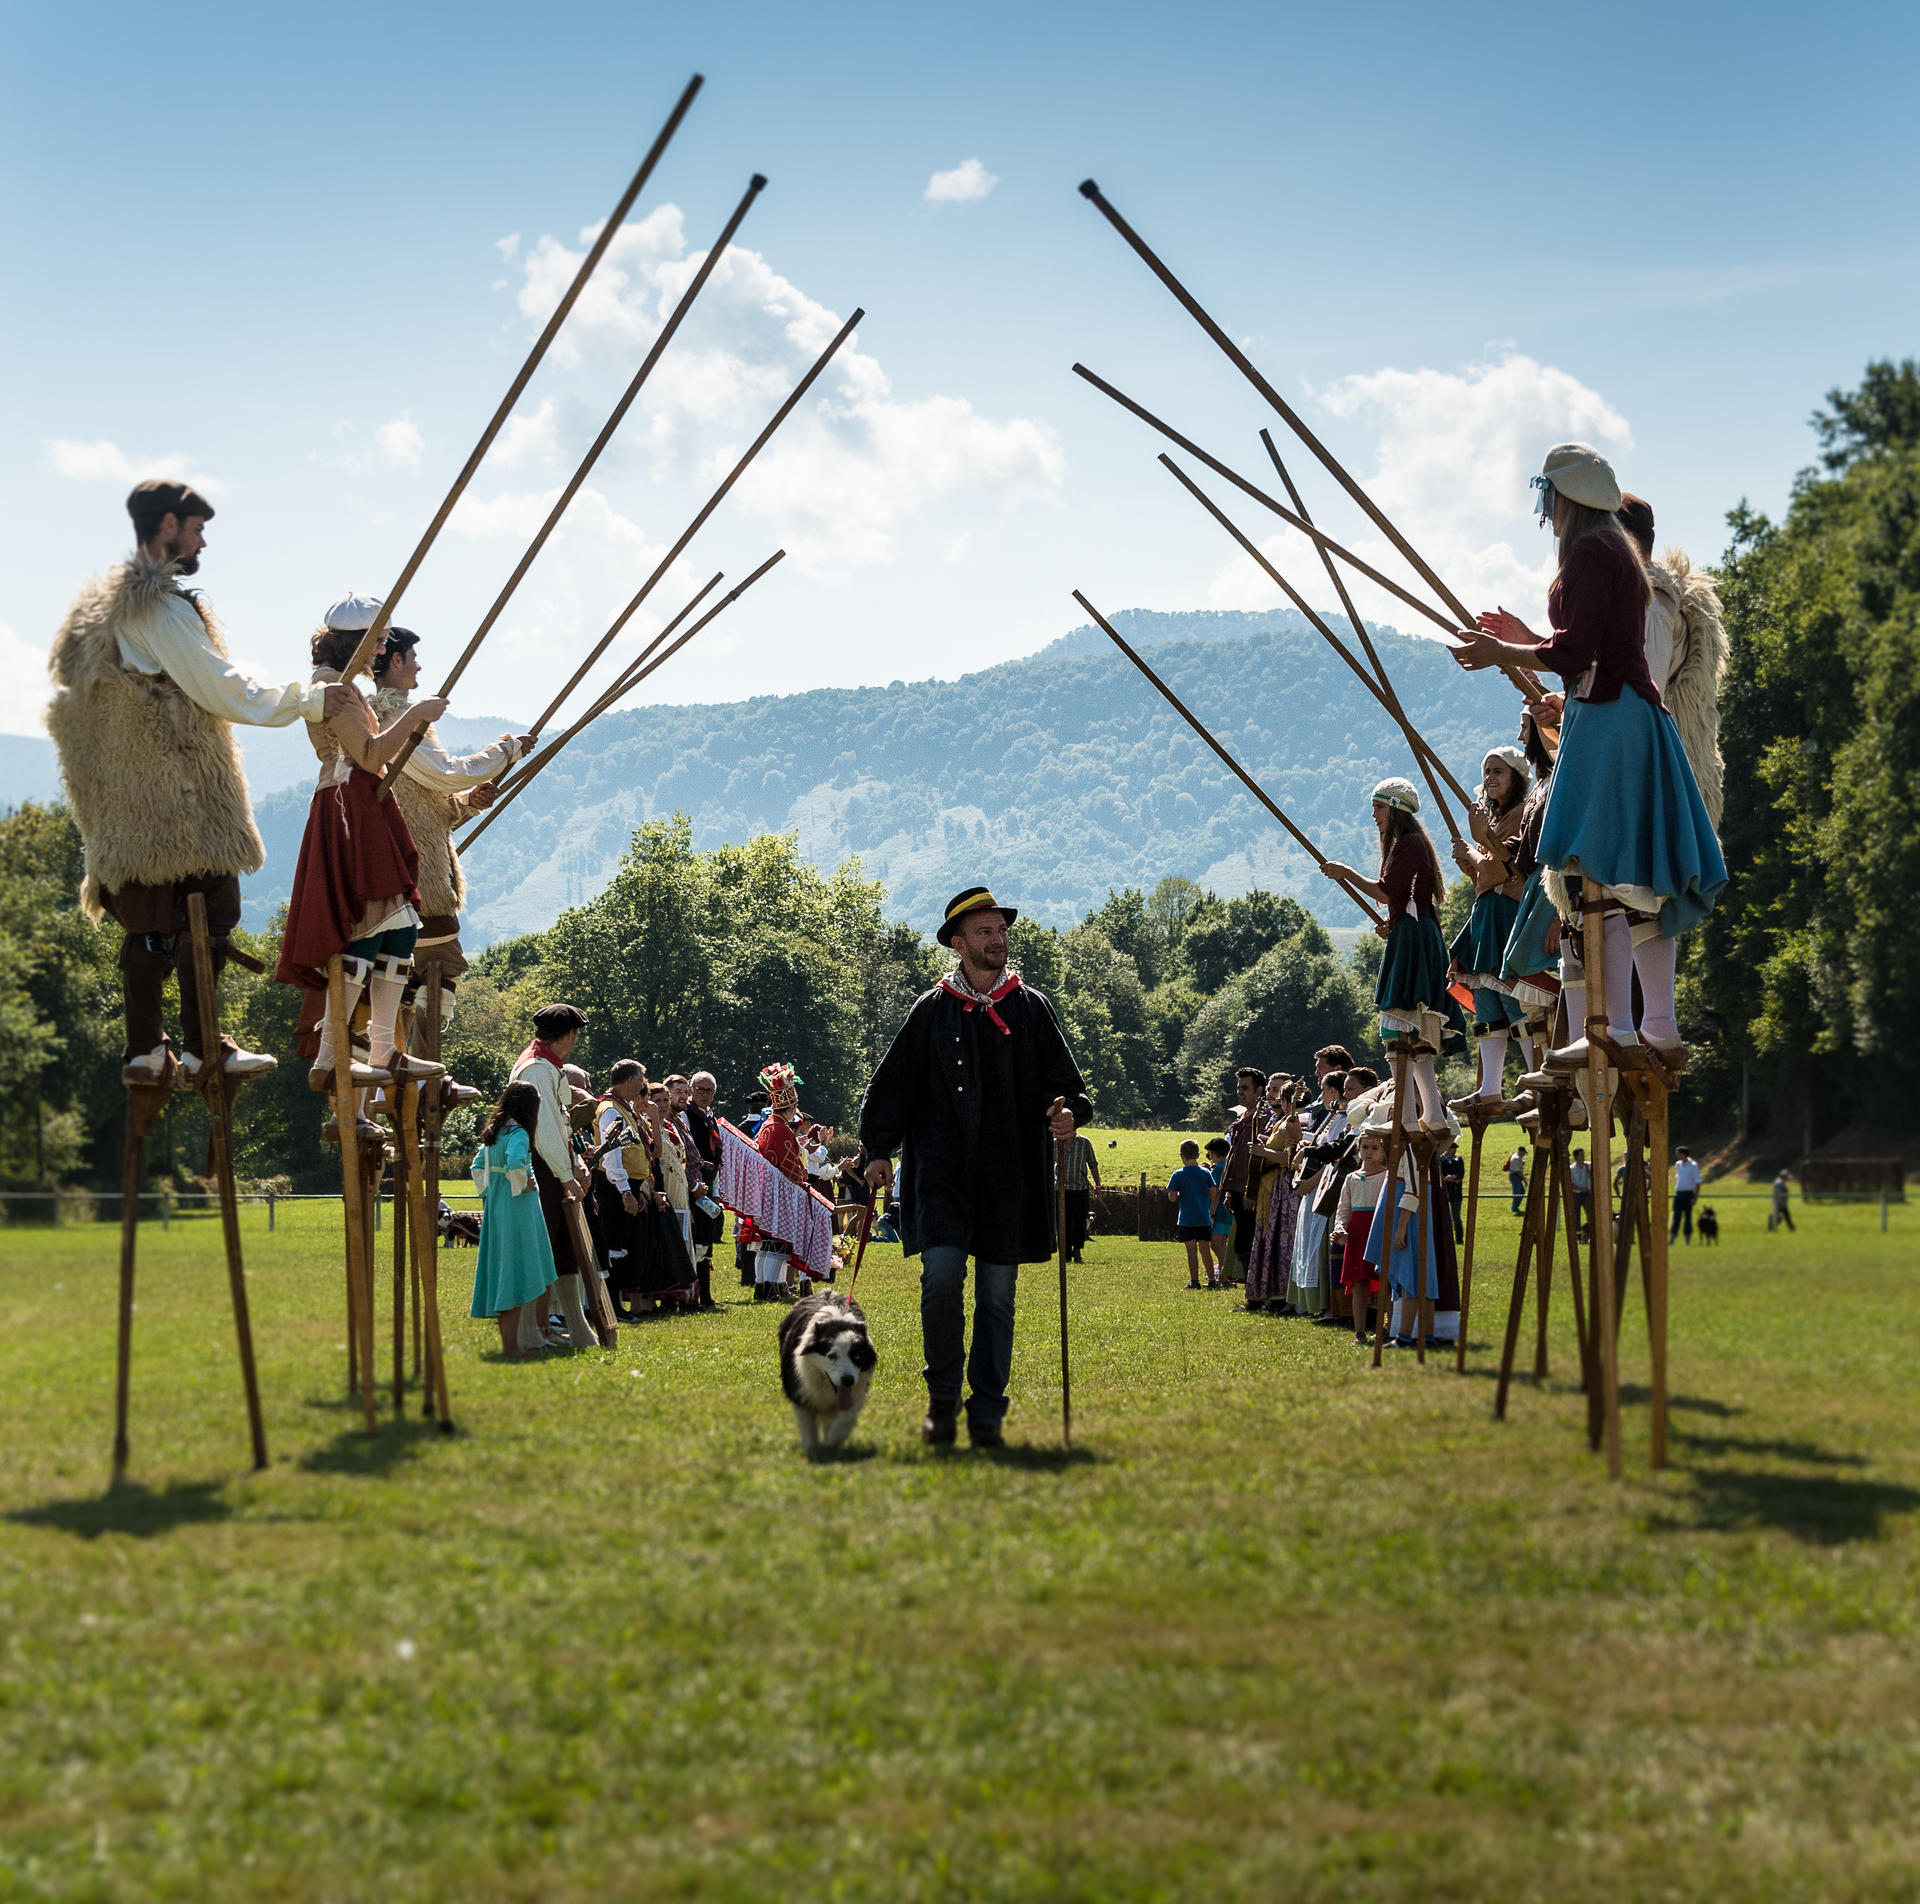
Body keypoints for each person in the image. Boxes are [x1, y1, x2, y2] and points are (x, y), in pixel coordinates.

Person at [46, 479, 358, 1082]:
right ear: (167, 526)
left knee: (148, 919)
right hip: (176, 791)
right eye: (196, 529)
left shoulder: (105, 611)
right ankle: (200, 1045)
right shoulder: (155, 606)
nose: (203, 541)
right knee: (208, 907)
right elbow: (217, 684)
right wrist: (308, 700)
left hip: (127, 796)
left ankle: (146, 1049)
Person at [1451, 442, 1727, 1063]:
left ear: (1566, 497)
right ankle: (1640, 1026)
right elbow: (1583, 647)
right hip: (1610, 718)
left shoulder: (1595, 553)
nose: (1544, 512)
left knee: (1601, 875)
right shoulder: (1611, 552)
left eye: (1546, 497)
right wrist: (1529, 644)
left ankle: (1621, 1028)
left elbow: (1577, 655)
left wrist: (1505, 655)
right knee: (1625, 878)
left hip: (1613, 724)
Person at [859, 885, 1090, 1449]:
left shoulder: (1030, 1007)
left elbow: (1066, 1085)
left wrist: (1067, 1116)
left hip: (1008, 1178)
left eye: (1002, 930)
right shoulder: (931, 1009)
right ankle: (942, 1400)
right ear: (958, 943)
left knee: (997, 1294)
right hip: (939, 1174)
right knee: (940, 1277)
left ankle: (986, 1407)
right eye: (985, 932)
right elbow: (893, 1087)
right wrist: (878, 1150)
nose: (998, 940)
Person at [274, 599, 451, 1089]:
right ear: (354, 641)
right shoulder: (331, 688)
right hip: (348, 806)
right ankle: (334, 1055)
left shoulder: (342, 684)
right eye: (376, 640)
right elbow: (369, 755)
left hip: (360, 805)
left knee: (399, 928)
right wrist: (415, 714)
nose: (380, 649)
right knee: (369, 927)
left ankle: (381, 1050)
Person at [366, 626, 531, 1038]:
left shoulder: (394, 720)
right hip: (417, 879)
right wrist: (506, 749)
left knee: (412, 986)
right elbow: (447, 773)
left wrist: (467, 804)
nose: (419, 664)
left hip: (416, 869)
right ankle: (416, 1076)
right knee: (438, 974)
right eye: (413, 656)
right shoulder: (394, 721)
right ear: (397, 660)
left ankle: (403, 1069)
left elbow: (426, 807)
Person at [1320, 779, 1464, 1131]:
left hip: (1414, 940)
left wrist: (1346, 873)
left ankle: (1413, 1117)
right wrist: (1393, 923)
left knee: (1402, 1029)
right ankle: (1424, 1116)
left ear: (1396, 808)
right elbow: (1401, 900)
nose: (1374, 815)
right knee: (1413, 1039)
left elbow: (1385, 892)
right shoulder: (1409, 844)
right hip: (1412, 934)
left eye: (1379, 807)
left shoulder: (1410, 843)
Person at [1618, 494, 1728, 826]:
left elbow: (1640, 704)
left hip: (1655, 794)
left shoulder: (1650, 608)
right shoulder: (1644, 602)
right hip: (1658, 785)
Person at [1448, 746, 1534, 1105]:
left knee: (1512, 998)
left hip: (1506, 912)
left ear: (1516, 778)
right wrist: (1470, 857)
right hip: (1486, 912)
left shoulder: (1521, 815)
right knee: (1486, 1003)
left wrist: (1477, 846)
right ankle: (1491, 1087)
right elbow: (1483, 878)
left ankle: (1535, 1074)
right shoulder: (1495, 821)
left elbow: (1504, 869)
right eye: (1487, 772)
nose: (1490, 778)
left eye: (1498, 771)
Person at [509, 1003, 598, 1349]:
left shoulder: (543, 1065)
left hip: (549, 1163)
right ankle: (529, 1330)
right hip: (540, 1165)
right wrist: (566, 1174)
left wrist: (572, 1161)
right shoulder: (537, 1069)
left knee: (561, 1249)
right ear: (569, 1034)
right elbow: (544, 1130)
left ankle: (576, 1329)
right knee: (538, 1246)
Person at [468, 1081, 558, 1357]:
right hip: (518, 1210)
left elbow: (477, 1166)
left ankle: (512, 1343)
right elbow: (516, 1163)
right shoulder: (518, 1133)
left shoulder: (494, 1133)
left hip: (497, 1208)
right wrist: (523, 1182)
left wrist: (488, 1191)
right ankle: (512, 1347)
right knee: (516, 1272)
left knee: (504, 1269)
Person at [591, 1059, 657, 1319]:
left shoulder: (622, 1108)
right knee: (613, 1248)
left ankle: (616, 1306)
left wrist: (636, 1188)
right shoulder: (610, 1109)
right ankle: (611, 1307)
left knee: (621, 1247)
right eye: (641, 1079)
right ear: (629, 1080)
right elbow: (612, 1154)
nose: (643, 1085)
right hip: (613, 1187)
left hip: (627, 1184)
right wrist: (625, 1191)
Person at [1242, 1073, 1305, 1312]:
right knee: (1267, 1238)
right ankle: (1264, 1293)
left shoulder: (1295, 1121)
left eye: (1282, 1096)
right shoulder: (1279, 1120)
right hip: (1272, 1186)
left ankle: (1280, 1295)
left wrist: (1263, 1151)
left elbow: (1290, 1158)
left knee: (1281, 1240)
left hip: (1284, 1187)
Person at [1168, 1140, 1217, 1289]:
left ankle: (1194, 1281)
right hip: (1203, 1217)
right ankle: (1212, 1279)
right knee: (1205, 1250)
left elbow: (1172, 1197)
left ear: (1181, 1156)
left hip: (1186, 1219)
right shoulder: (1205, 1173)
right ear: (1198, 1155)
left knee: (1191, 1251)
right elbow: (1213, 1193)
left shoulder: (1178, 1174)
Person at [1054, 1110, 1101, 1265]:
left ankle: (1077, 1250)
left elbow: (1093, 1164)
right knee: (1063, 1222)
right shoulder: (1055, 1143)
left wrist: (1098, 1185)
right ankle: (1065, 1253)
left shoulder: (1084, 1143)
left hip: (1080, 1188)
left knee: (1080, 1221)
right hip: (1061, 1189)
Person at [1204, 1136, 1235, 1286]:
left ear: (1213, 1153)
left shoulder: (1217, 1169)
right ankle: (1226, 1276)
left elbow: (1215, 1193)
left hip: (1220, 1212)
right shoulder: (1227, 1166)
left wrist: (1211, 1214)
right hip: (1229, 1212)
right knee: (1222, 1244)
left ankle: (1227, 1276)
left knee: (1215, 1244)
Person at [1671, 1147, 1703, 1243]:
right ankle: (1673, 1236)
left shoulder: (1693, 1165)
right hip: (1679, 1194)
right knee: (1676, 1216)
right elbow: (1678, 1176)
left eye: (1677, 1153)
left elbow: (1697, 1182)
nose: (1676, 1155)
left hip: (1688, 1194)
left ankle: (1687, 1237)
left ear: (1683, 1154)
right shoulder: (1678, 1164)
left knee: (1688, 1217)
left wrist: (1695, 1197)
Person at [1439, 1138, 1466, 1245]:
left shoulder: (1459, 1160)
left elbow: (1461, 1173)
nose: (1453, 1151)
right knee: (1445, 1217)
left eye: (1454, 1149)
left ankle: (1459, 1239)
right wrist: (1445, 1178)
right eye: (1451, 1148)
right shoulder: (1442, 1160)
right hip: (1445, 1191)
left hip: (1456, 1192)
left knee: (1456, 1217)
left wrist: (1453, 1177)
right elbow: (1440, 1172)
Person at [1568, 1148, 1594, 1242]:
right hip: (1577, 1194)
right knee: (1576, 1215)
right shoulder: (1571, 1169)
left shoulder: (1589, 1165)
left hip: (1588, 1194)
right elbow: (1570, 1184)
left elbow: (1595, 1178)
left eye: (1583, 1155)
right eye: (1580, 1155)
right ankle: (1578, 1235)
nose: (1583, 1157)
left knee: (1590, 1214)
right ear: (1575, 1157)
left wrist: (1588, 1172)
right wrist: (1581, 1189)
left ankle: (1590, 1233)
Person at [1769, 1168, 1796, 1233]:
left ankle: (1792, 1228)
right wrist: (1782, 1203)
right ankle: (1791, 1228)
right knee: (1777, 1216)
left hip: (1781, 1202)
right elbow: (1778, 1193)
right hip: (1780, 1202)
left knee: (1785, 1216)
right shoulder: (1779, 1183)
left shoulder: (1780, 1182)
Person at [1506, 1146, 1527, 1216]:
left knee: (1522, 1191)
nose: (1524, 1155)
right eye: (1524, 1153)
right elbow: (1518, 1172)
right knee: (1517, 1193)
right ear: (1521, 1152)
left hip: (1514, 1176)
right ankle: (1514, 1208)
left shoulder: (1515, 1155)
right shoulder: (1517, 1159)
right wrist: (1524, 1180)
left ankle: (1515, 1207)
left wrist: (1522, 1162)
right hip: (1515, 1176)